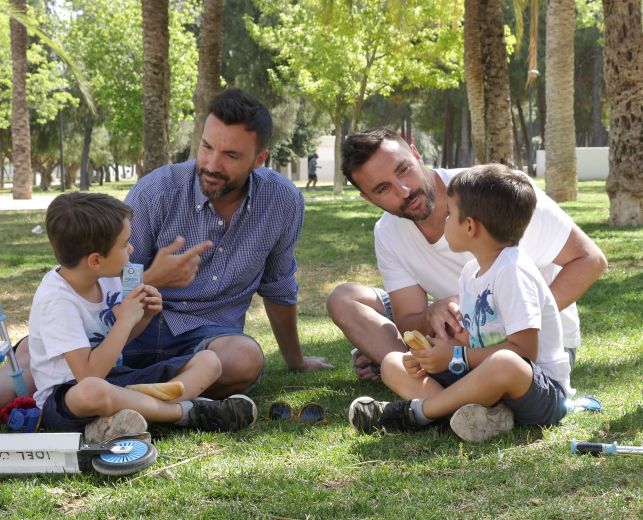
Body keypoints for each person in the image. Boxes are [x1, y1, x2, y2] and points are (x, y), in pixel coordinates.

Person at [0, 88, 331, 408]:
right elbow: (102, 273)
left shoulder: (282, 202)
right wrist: (153, 277)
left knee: (245, 359)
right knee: (38, 359)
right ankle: (149, 398)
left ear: (259, 159)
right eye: (207, 147)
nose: (212, 163)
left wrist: (295, 361)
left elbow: (278, 288)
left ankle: (119, 398)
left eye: (230, 155)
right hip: (128, 328)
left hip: (208, 337)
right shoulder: (157, 191)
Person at [327, 128, 607, 384]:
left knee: (498, 367)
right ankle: (415, 370)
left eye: (404, 169)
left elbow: (590, 260)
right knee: (344, 299)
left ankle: (415, 380)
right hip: (458, 331)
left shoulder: (494, 192)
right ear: (368, 198)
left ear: (415, 152)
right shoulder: (387, 232)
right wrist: (430, 314)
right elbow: (408, 319)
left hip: (528, 344)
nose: (404, 190)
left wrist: (505, 320)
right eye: (383, 188)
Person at [348, 165, 573, 441]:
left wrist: (456, 357)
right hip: (484, 379)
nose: (443, 222)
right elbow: (473, 338)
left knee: (505, 362)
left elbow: (524, 352)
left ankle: (416, 413)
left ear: (469, 226)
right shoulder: (470, 273)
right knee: (394, 363)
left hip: (538, 392)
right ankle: (481, 417)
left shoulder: (514, 271)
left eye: (449, 214)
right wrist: (435, 354)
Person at [30, 192, 256, 441]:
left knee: (209, 361)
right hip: (68, 400)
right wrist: (125, 320)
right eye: (124, 244)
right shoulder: (57, 299)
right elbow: (87, 375)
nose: (132, 248)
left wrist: (144, 317)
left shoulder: (108, 278)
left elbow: (115, 344)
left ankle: (126, 415)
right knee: (92, 391)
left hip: (116, 380)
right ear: (95, 260)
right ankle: (183, 413)